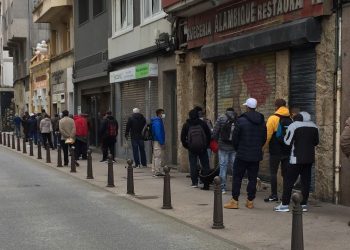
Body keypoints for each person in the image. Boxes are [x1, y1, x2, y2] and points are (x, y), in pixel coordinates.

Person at [224, 98, 267, 209]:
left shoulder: (241, 120)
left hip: (242, 154)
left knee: (237, 177)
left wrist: (238, 149)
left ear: (247, 107)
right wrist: (257, 148)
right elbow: (264, 138)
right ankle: (250, 201)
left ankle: (234, 201)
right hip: (255, 155)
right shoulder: (262, 120)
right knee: (252, 178)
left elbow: (235, 138)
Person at [274, 112, 319, 212]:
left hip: (296, 159)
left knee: (289, 181)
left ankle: (284, 205)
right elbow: (316, 142)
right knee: (306, 182)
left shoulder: (294, 126)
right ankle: (303, 204)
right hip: (309, 159)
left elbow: (287, 142)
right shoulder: (314, 126)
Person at [264, 99, 293, 202]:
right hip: (287, 150)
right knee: (285, 174)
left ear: (276, 106)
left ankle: (274, 195)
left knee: (273, 173)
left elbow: (267, 135)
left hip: (275, 151)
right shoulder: (290, 119)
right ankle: (285, 196)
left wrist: (263, 147)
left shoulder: (273, 118)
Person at [181, 109, 212, 189]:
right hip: (203, 148)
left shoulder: (187, 124)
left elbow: (182, 137)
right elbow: (208, 135)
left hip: (192, 148)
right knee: (205, 165)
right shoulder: (202, 123)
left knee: (193, 165)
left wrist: (187, 146)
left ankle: (194, 182)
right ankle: (206, 184)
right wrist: (206, 145)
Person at [212, 107, 237, 194]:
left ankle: (222, 187)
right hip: (234, 147)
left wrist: (216, 140)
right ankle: (236, 187)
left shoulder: (221, 117)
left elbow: (215, 131)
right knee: (235, 167)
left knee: (223, 167)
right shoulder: (237, 118)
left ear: (226, 111)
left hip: (222, 146)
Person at [151, 109, 165, 177]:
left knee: (155, 156)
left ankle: (155, 170)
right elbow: (158, 133)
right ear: (159, 114)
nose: (163, 115)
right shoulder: (157, 122)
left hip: (156, 140)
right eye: (162, 113)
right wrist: (161, 142)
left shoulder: (158, 121)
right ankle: (157, 171)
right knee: (158, 156)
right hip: (158, 141)